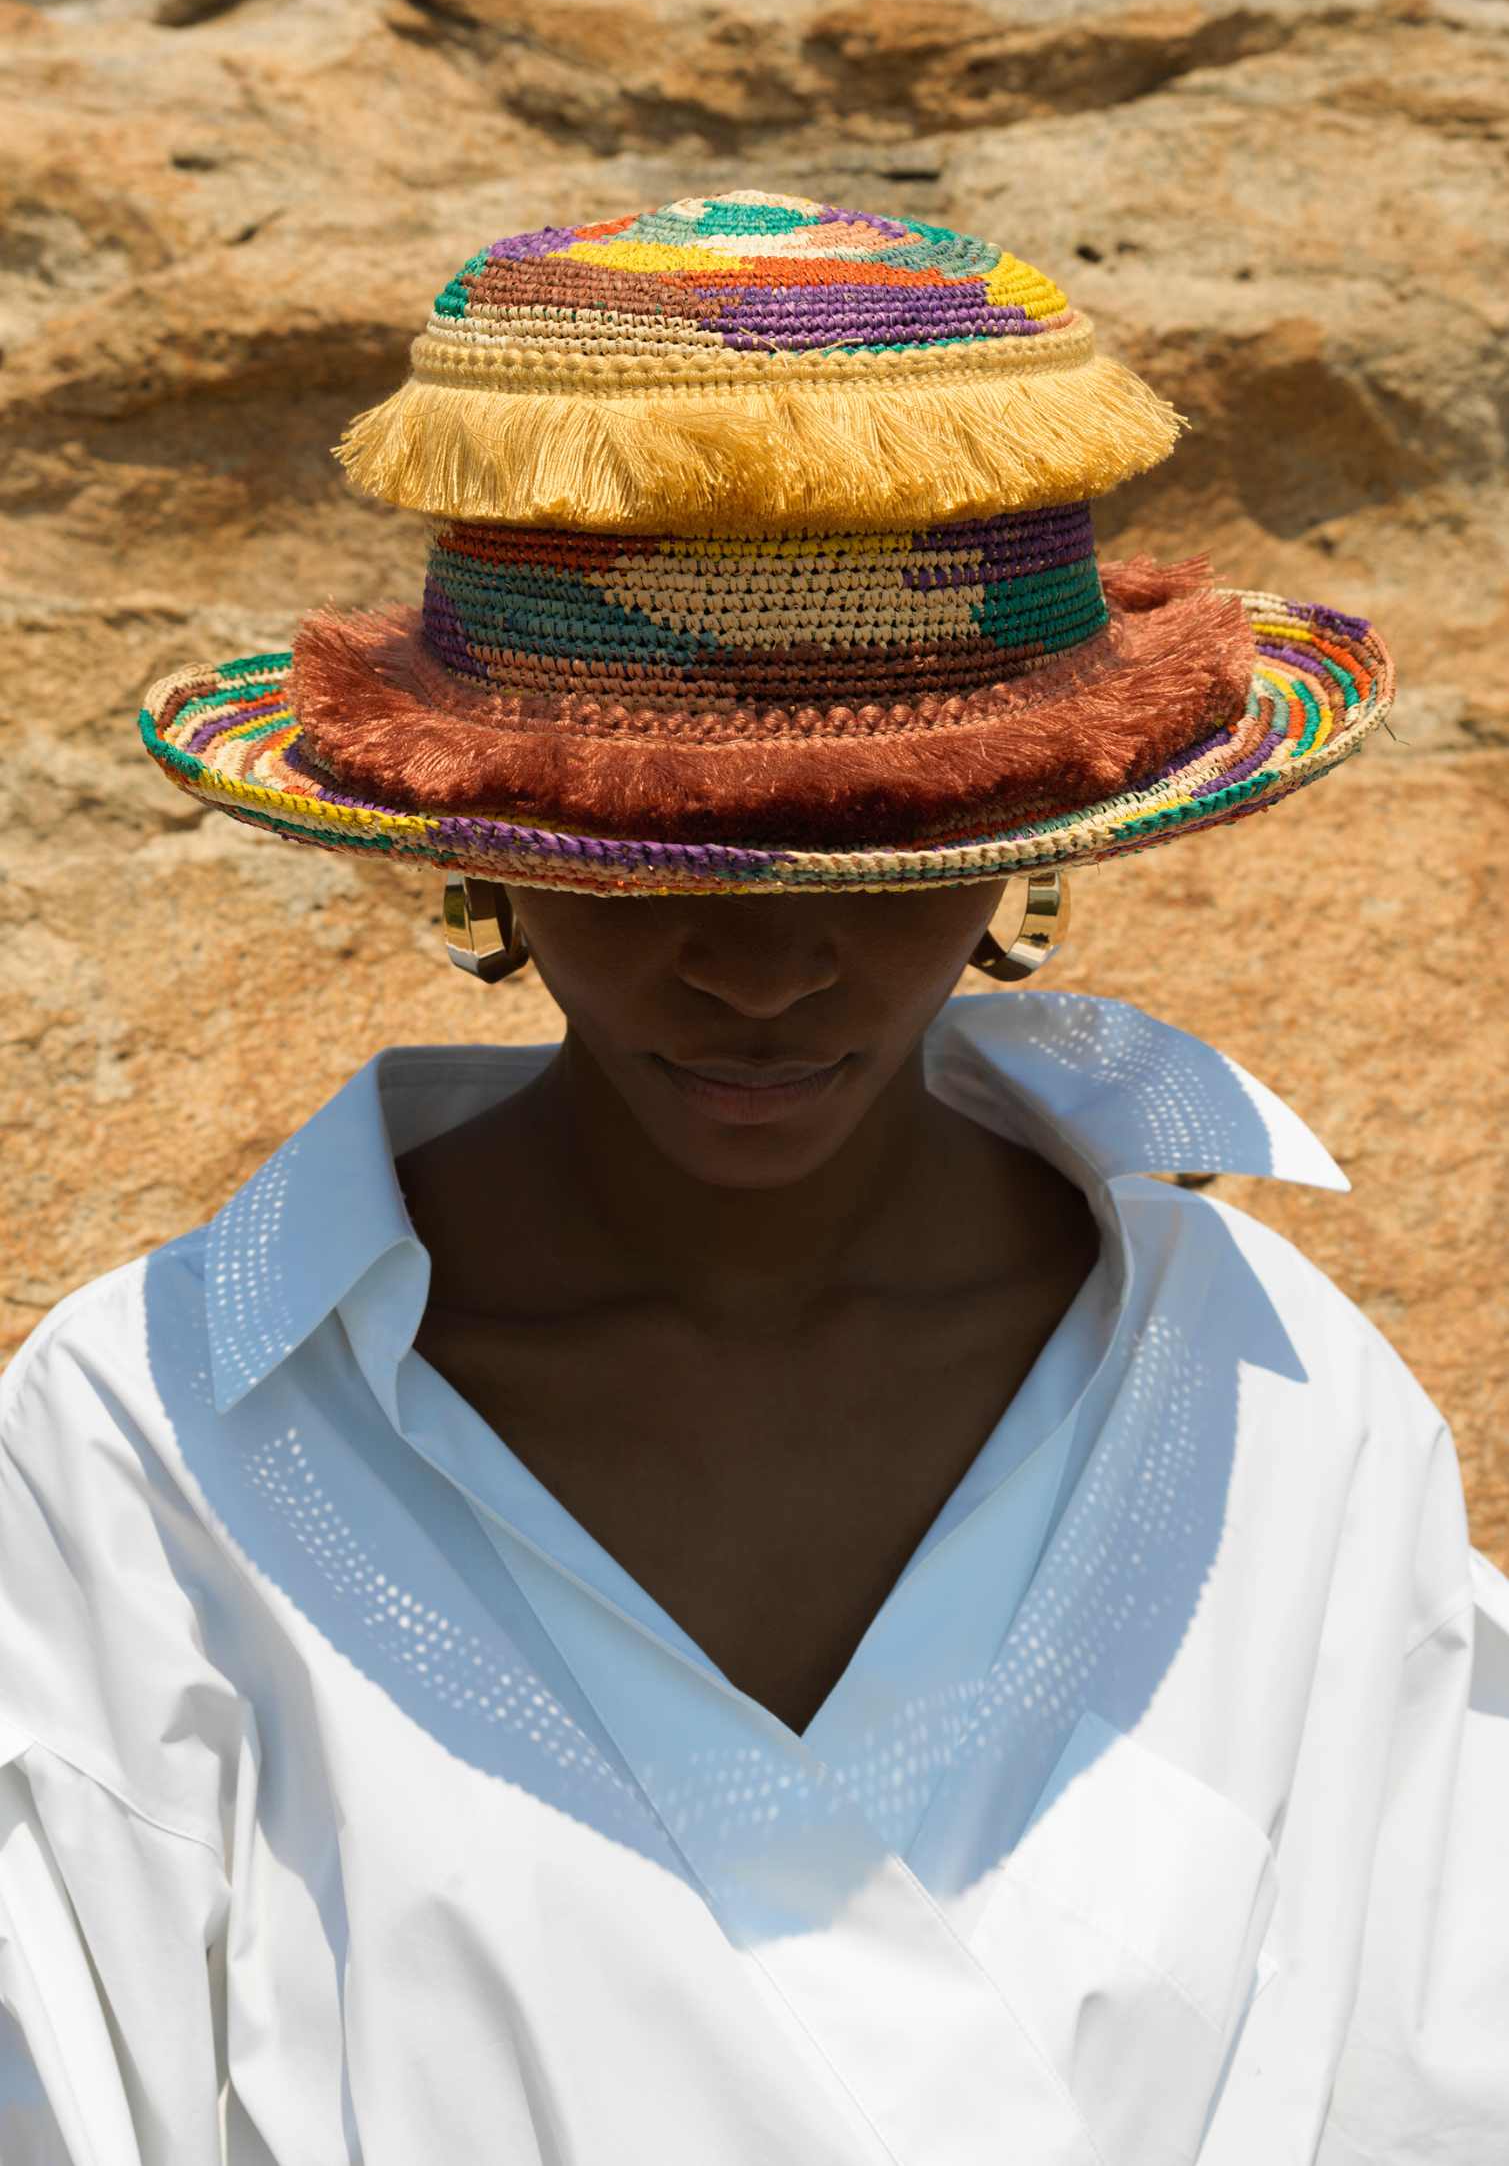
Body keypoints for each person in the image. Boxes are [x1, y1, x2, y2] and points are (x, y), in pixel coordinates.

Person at [0, 189, 1503, 2165]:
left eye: (873, 871)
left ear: (1034, 838)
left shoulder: (1270, 1407)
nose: (762, 966)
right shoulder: (158, 1441)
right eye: (646, 869)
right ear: (479, 836)